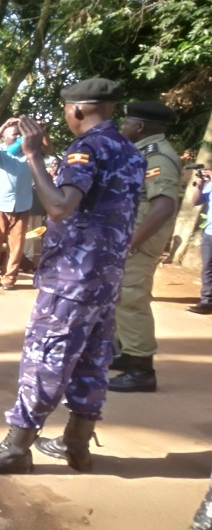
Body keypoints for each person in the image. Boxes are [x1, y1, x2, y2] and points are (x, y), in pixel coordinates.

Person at [0, 78, 146, 475]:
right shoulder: (130, 152)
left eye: (67, 110)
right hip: (105, 276)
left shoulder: (87, 149)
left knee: (47, 356)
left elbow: (61, 206)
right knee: (93, 359)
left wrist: (32, 155)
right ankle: (76, 444)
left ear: (78, 109)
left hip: (72, 277)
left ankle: (16, 448)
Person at [108, 102, 182, 393]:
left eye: (127, 122)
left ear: (139, 127)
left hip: (139, 240)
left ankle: (141, 370)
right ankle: (128, 355)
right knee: (121, 298)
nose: (123, 127)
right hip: (131, 236)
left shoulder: (158, 158)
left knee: (131, 298)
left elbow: (163, 206)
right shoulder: (142, 153)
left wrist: (132, 243)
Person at [0, 118, 34, 290]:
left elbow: (48, 149)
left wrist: (40, 130)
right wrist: (2, 126)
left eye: (20, 133)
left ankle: (9, 278)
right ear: (4, 137)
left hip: (22, 205)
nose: (18, 136)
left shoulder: (28, 152)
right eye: (15, 133)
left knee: (16, 246)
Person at [187, 168, 212, 315]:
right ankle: (207, 302)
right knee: (207, 268)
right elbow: (195, 202)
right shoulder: (209, 185)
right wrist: (199, 184)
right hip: (209, 232)